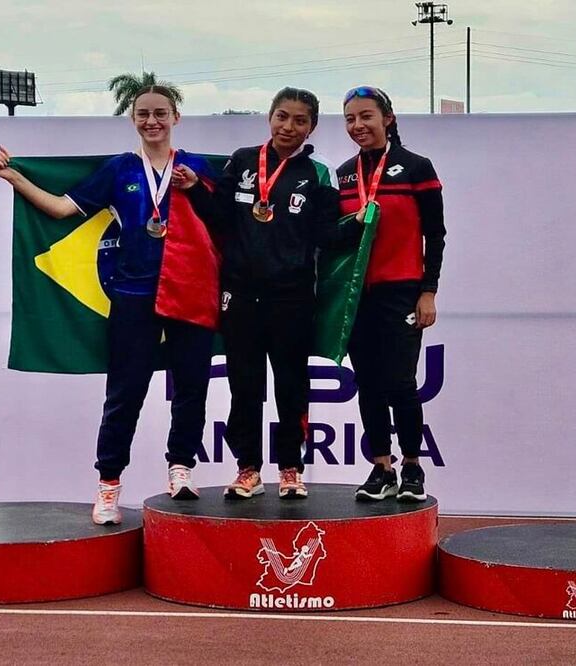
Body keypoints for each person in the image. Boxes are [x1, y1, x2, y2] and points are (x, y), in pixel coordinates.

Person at [0, 86, 220, 524]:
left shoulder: (198, 167)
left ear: (176, 117)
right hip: (134, 295)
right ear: (133, 119)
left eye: (160, 113)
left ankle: (181, 468)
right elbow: (61, 209)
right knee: (124, 394)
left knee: (192, 386)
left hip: (190, 291)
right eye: (143, 114)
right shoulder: (118, 170)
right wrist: (16, 178)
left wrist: (201, 190)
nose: (152, 121)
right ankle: (108, 487)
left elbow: (225, 218)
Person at [180, 87, 352, 500]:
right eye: (282, 117)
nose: (288, 127)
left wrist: (358, 224)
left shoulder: (319, 172)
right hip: (239, 294)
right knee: (245, 385)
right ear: (269, 117)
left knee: (291, 385)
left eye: (299, 120)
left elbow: (326, 235)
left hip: (291, 296)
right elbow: (219, 218)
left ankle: (291, 468)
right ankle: (248, 470)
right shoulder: (242, 161)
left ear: (311, 126)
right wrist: (193, 190)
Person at [336, 85, 446, 502]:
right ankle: (380, 467)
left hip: (402, 292)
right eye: (350, 119)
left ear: (387, 118)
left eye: (366, 116)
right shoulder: (344, 174)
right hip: (357, 295)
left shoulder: (417, 167)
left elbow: (435, 235)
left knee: (401, 381)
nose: (358, 125)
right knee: (368, 383)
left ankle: (413, 468)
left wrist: (428, 291)